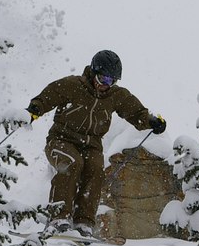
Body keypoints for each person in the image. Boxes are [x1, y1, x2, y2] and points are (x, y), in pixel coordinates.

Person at [27, 50, 166, 236]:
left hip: (91, 144)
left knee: (95, 169)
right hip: (61, 139)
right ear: (93, 73)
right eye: (102, 79)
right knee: (71, 163)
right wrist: (35, 109)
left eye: (111, 81)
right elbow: (48, 96)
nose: (105, 85)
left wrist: (151, 121)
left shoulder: (116, 95)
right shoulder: (73, 85)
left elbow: (136, 113)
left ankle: (83, 222)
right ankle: (59, 217)